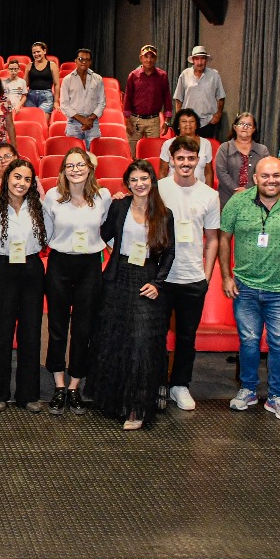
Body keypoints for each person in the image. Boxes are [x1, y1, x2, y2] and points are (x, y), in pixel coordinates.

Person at [220, 157, 280, 421]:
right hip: (245, 288)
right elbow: (224, 238)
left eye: (276, 175)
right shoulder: (238, 202)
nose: (271, 180)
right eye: (265, 176)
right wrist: (226, 277)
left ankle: (276, 396)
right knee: (249, 342)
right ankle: (248, 390)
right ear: (255, 179)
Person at [94, 160, 175, 430]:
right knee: (116, 339)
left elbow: (169, 253)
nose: (139, 184)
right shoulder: (119, 206)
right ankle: (116, 402)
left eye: (144, 178)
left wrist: (158, 283)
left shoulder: (164, 213)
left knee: (142, 344)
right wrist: (112, 250)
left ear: (152, 180)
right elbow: (103, 234)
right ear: (127, 184)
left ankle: (137, 408)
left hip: (147, 279)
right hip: (118, 277)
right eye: (134, 180)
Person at [42, 147, 111, 416]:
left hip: (90, 266)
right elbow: (47, 233)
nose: (75, 170)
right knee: (57, 327)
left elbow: (107, 229)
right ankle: (59, 385)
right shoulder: (53, 196)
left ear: (90, 168)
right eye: (70, 166)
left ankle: (74, 386)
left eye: (80, 164)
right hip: (59, 264)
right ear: (63, 171)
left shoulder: (103, 196)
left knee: (83, 329)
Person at [157, 135, 221, 412]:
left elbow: (213, 238)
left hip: (192, 277)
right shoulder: (158, 188)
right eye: (180, 158)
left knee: (186, 336)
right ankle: (158, 382)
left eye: (191, 158)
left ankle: (180, 385)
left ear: (198, 161)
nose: (185, 163)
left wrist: (206, 276)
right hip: (161, 277)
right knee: (156, 334)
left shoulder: (210, 195)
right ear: (171, 160)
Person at [0, 158, 47, 412]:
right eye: (17, 177)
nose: (21, 183)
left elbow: (48, 236)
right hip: (4, 268)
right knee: (1, 332)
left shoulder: (39, 207)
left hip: (32, 268)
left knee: (30, 332)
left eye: (27, 179)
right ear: (7, 178)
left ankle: (28, 394)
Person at [214, 112, 272, 209]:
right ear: (235, 127)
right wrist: (236, 189)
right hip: (228, 199)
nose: (245, 127)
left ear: (254, 129)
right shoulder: (224, 148)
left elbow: (265, 173)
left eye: (249, 125)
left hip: (255, 200)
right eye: (241, 124)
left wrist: (246, 189)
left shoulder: (262, 150)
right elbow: (221, 172)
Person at [123, 44, 172, 153]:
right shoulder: (133, 76)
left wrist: (167, 121)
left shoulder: (162, 76)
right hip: (135, 119)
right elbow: (127, 98)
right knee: (133, 153)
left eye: (152, 57)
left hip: (153, 121)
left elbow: (167, 99)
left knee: (152, 152)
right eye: (146, 56)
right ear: (141, 58)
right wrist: (128, 121)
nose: (149, 60)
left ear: (156, 59)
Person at [172, 45, 225, 139]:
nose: (200, 62)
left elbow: (221, 97)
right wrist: (179, 119)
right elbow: (178, 99)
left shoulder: (214, 75)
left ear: (206, 60)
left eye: (202, 59)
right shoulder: (184, 74)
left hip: (208, 122)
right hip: (188, 123)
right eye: (197, 59)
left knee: (206, 147)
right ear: (193, 60)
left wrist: (218, 114)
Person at [60, 48, 106, 148]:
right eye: (81, 59)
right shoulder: (67, 80)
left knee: (93, 155)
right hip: (73, 123)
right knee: (74, 154)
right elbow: (64, 104)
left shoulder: (98, 79)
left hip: (92, 123)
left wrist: (90, 119)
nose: (84, 62)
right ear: (75, 61)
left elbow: (102, 103)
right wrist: (82, 120)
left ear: (90, 62)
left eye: (87, 59)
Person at [159, 108, 214, 187]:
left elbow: (208, 172)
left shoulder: (206, 144)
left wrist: (208, 191)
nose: (188, 124)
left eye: (191, 121)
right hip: (173, 188)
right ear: (178, 125)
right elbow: (162, 172)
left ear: (196, 125)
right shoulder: (168, 144)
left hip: (199, 188)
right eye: (184, 121)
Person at [24, 41, 61, 119]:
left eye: (38, 52)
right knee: (31, 122)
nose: (36, 54)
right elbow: (24, 84)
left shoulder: (52, 65)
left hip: (46, 97)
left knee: (42, 122)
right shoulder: (29, 65)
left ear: (44, 51)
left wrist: (56, 102)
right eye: (34, 53)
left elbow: (57, 84)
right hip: (31, 97)